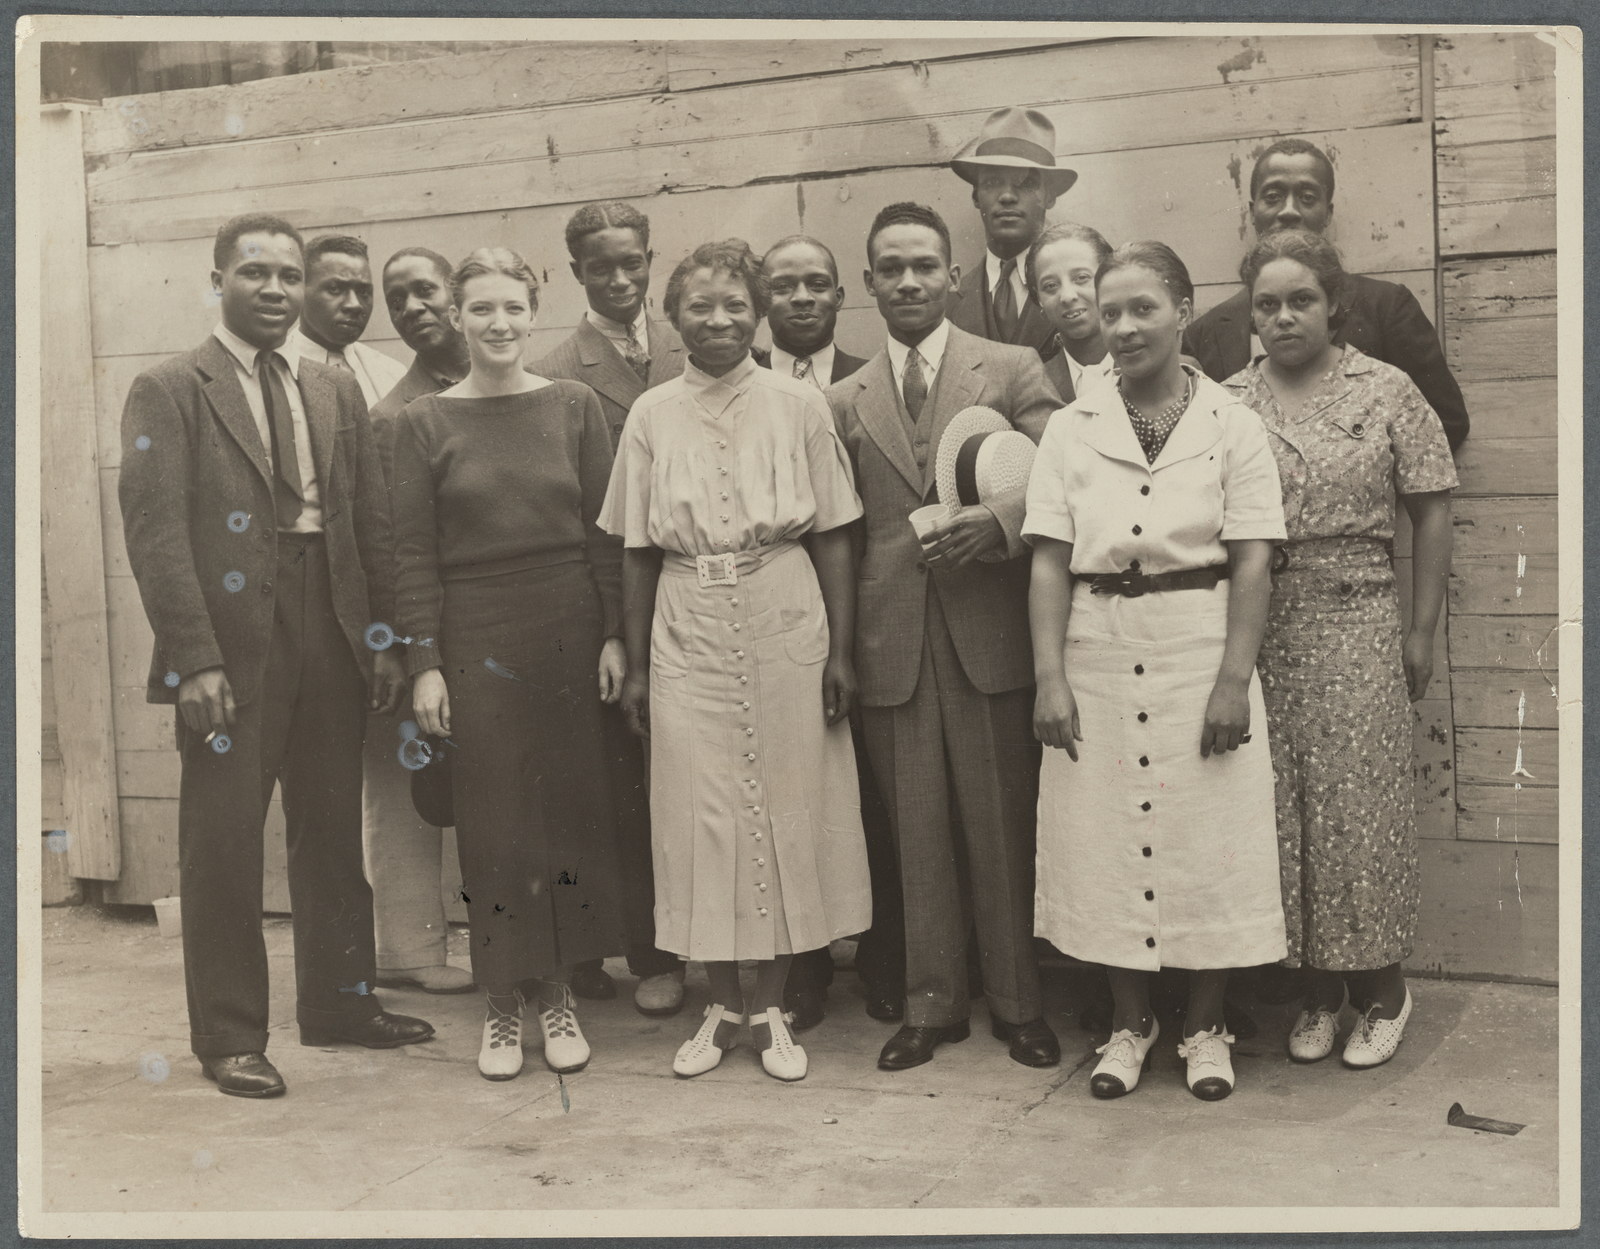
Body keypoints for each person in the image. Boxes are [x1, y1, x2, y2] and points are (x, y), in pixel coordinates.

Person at [117, 213, 432, 1099]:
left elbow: (366, 519)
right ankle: (229, 1035)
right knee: (222, 838)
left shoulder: (330, 389)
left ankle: (339, 1003)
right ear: (215, 279)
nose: (275, 290)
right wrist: (195, 660)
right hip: (231, 643)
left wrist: (378, 642)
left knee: (331, 826)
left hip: (329, 624)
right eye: (254, 272)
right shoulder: (171, 386)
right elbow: (155, 534)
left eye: (289, 276)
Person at [601, 238, 871, 1084]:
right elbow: (637, 548)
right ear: (671, 317)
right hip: (686, 617)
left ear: (757, 315)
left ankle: (774, 1006)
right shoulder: (650, 414)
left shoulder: (798, 404)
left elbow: (833, 533)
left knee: (788, 802)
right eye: (699, 306)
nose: (718, 320)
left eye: (734, 306)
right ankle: (721, 1003)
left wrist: (839, 648)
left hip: (784, 607)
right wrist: (641, 662)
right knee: (700, 812)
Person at [1024, 241, 1288, 1102]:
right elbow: (1050, 563)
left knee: (1209, 838)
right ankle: (1129, 1023)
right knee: (1101, 837)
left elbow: (1253, 560)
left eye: (1143, 308)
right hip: (1097, 649)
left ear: (1182, 308)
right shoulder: (1072, 425)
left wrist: (1229, 680)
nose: (1125, 327)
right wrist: (1049, 677)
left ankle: (1204, 1025)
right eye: (1110, 313)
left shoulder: (1234, 422)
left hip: (1197, 645)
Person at [826, 202, 1063, 1073]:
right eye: (891, 268)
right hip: (893, 642)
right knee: (917, 830)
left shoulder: (1010, 365)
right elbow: (839, 533)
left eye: (925, 264)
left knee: (1001, 825)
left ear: (953, 275)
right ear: (869, 284)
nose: (910, 281)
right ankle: (932, 1005)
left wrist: (999, 523)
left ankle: (1018, 1001)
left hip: (988, 632)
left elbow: (1062, 479)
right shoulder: (842, 398)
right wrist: (843, 649)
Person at [1221, 230, 1456, 1069]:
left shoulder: (1385, 388)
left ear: (1334, 305)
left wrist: (1419, 628)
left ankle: (1383, 989)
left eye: (1301, 300)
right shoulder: (1228, 400)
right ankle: (1317, 988)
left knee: (1357, 812)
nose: (1283, 317)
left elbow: (1431, 505)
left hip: (1357, 618)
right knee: (1281, 810)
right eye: (1267, 304)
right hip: (1259, 626)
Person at [392, 247, 627, 1082]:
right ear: (457, 316)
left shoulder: (574, 405)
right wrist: (425, 661)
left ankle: (556, 991)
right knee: (492, 826)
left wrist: (614, 634)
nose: (498, 324)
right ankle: (501, 1000)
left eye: (512, 309)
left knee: (565, 816)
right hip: (474, 635)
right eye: (481, 309)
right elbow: (410, 553)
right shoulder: (423, 421)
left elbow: (607, 531)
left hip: (567, 627)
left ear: (535, 314)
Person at [534, 200, 688, 1016]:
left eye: (633, 262)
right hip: (617, 586)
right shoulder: (561, 370)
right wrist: (611, 631)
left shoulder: (691, 341)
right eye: (603, 267)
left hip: (702, 580)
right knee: (621, 778)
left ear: (650, 260)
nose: (622, 279)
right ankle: (645, 951)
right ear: (576, 274)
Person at [753, 233, 905, 1031]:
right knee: (789, 797)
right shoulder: (736, 386)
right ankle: (803, 968)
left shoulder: (867, 382)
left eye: (819, 283)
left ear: (844, 294)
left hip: (861, 617)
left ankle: (884, 961)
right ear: (761, 299)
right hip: (767, 624)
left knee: (869, 800)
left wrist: (847, 641)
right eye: (785, 285)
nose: (802, 297)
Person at [1184, 138, 1469, 452]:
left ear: (1328, 212)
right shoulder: (1207, 332)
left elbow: (1444, 425)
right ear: (1253, 212)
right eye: (1273, 196)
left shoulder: (1387, 306)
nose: (1289, 211)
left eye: (1307, 197)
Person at [359, 246, 474, 996]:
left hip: (506, 612)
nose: (411, 309)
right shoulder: (393, 412)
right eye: (395, 300)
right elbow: (384, 541)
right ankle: (406, 947)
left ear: (458, 295)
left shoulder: (519, 373)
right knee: (405, 778)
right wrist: (396, 643)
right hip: (422, 623)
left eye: (424, 291)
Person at [947, 107, 1078, 359]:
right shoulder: (949, 301)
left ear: (1049, 196)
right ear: (975, 195)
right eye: (993, 182)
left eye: (1026, 183)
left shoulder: (1082, 292)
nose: (1007, 196)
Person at [289, 234, 408, 407]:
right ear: (300, 291)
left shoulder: (392, 374)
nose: (355, 305)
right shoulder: (274, 371)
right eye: (335, 289)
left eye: (363, 292)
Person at [1026, 222, 1116, 405]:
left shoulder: (1169, 368)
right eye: (1050, 286)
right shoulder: (1033, 388)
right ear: (1038, 298)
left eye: (1081, 278)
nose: (1067, 296)